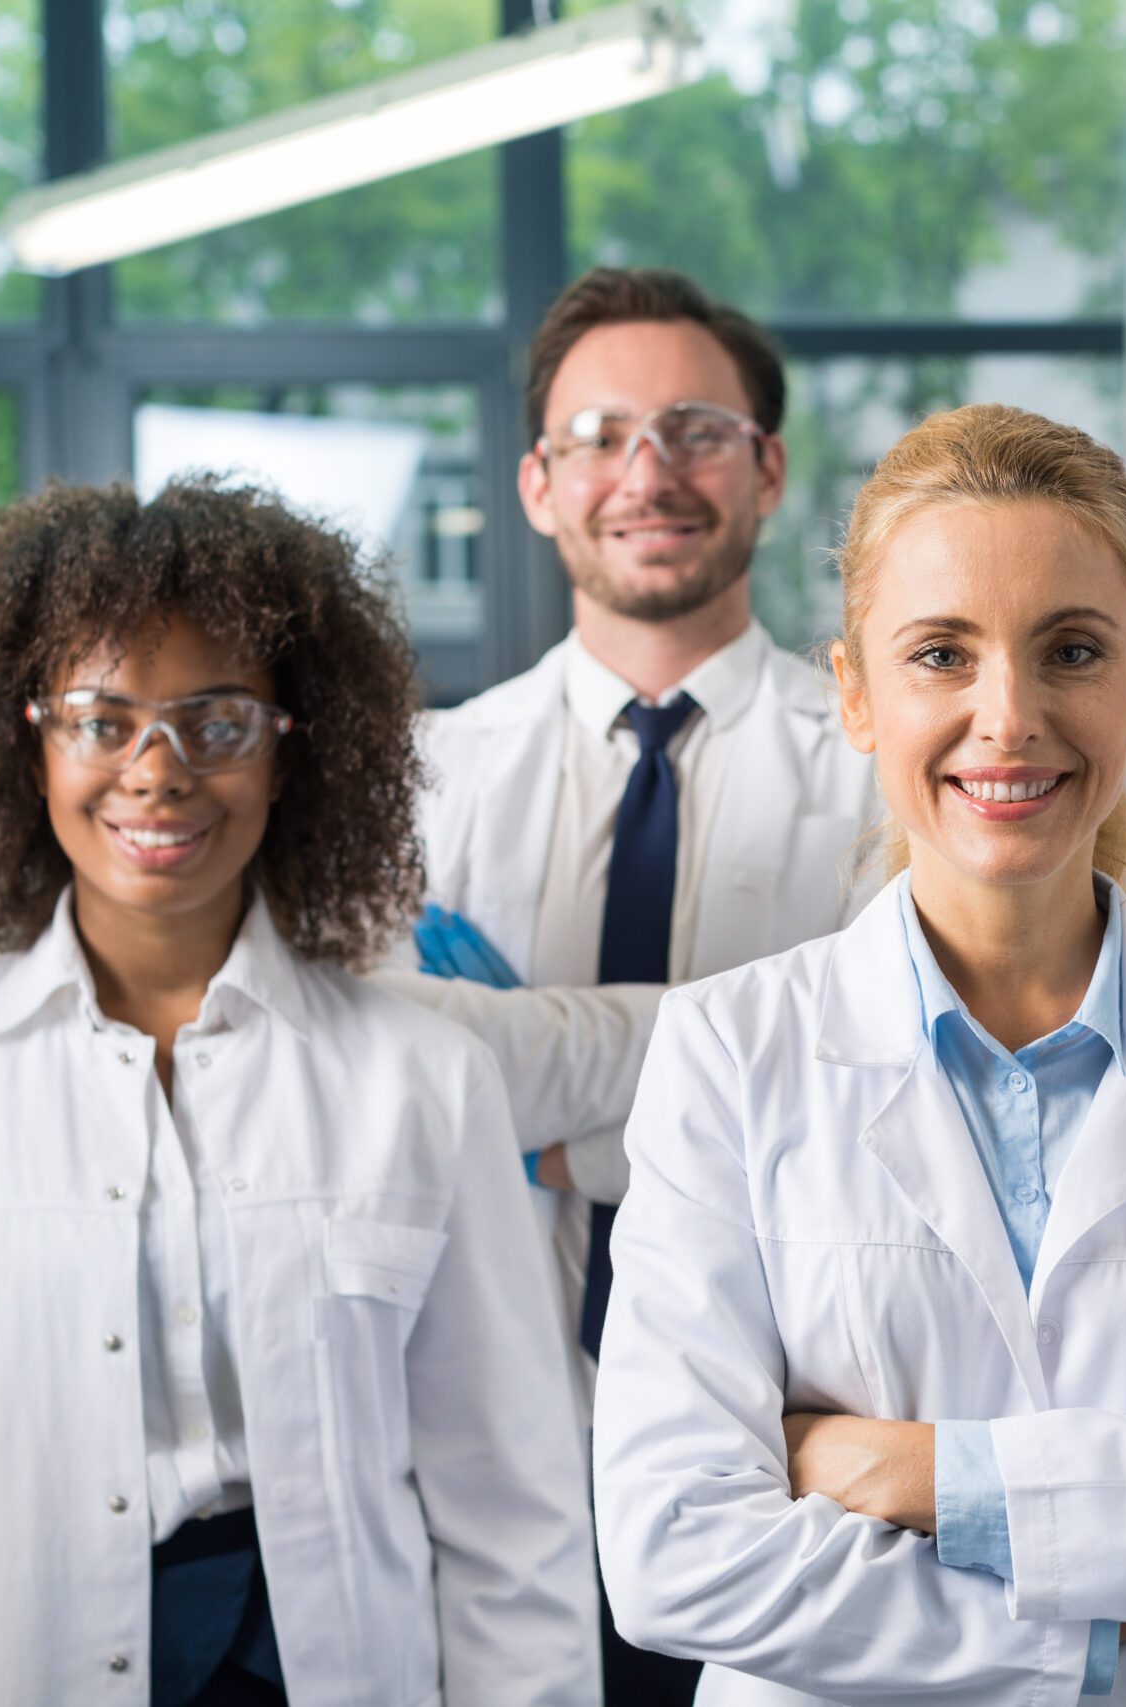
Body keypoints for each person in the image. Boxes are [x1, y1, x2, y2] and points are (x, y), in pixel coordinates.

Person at [591, 403, 1126, 1705]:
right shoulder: (732, 1052)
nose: (1010, 715)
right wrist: (1093, 1624)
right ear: (857, 694)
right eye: (942, 652)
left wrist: (914, 1472)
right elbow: (673, 1553)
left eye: (1073, 650)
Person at [0, 479, 600, 1705]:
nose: (156, 771)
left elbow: (513, 1511)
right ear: (27, 745)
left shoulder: (424, 1082)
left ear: (293, 751)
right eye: (100, 719)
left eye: (217, 721)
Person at [414, 268, 878, 1704]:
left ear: (769, 469)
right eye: (602, 435)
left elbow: (869, 1100)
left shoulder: (880, 766)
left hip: (799, 1448)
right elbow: (388, 1088)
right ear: (540, 484)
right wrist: (755, 1050)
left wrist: (526, 1115)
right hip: (489, 1447)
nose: (649, 472)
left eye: (694, 428)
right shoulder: (418, 784)